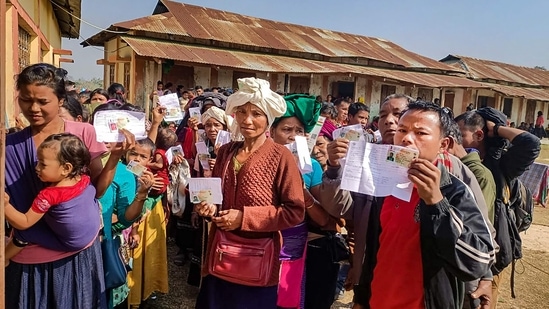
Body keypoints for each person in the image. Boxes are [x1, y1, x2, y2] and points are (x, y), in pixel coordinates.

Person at [339, 101, 495, 308]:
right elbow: (375, 248)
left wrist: (436, 203)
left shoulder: (454, 192)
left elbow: (477, 262)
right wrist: (362, 297)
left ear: (443, 145)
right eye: (402, 130)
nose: (406, 139)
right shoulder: (385, 185)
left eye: (420, 133)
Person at [4, 63, 134, 308]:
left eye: (43, 101)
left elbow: (97, 189)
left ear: (61, 100)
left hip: (78, 254)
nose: (33, 109)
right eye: (26, 100)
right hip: (29, 256)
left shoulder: (82, 133)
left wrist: (115, 157)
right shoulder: (9, 147)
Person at [194, 77, 305, 309]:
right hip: (222, 253)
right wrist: (209, 208)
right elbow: (216, 198)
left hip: (258, 261)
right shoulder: (225, 152)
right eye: (242, 112)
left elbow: (294, 212)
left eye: (256, 113)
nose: (247, 120)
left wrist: (243, 218)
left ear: (268, 119)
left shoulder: (281, 157)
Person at [455, 108, 540, 308]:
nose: (455, 140)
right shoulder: (463, 161)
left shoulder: (501, 164)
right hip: (467, 248)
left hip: (491, 256)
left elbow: (531, 144)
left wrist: (498, 129)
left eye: (460, 135)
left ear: (479, 134)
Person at [270, 94, 343, 309]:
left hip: (294, 247)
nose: (293, 137)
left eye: (299, 131)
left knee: (288, 298)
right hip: (262, 242)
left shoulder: (311, 165)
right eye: (286, 130)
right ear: (272, 132)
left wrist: (301, 189)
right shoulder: (260, 160)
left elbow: (325, 219)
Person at [4, 133, 98, 261]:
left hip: (73, 242)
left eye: (42, 164)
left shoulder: (49, 195)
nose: (36, 168)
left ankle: (3, 259)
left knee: (25, 233)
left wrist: (4, 205)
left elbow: (24, 223)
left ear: (66, 168)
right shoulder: (83, 178)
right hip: (92, 234)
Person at [125, 138, 170, 307]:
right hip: (127, 224)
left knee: (141, 257)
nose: (136, 159)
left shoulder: (149, 176)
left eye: (142, 156)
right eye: (133, 154)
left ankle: (143, 290)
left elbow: (159, 190)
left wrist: (151, 190)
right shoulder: (121, 171)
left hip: (140, 221)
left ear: (150, 160)